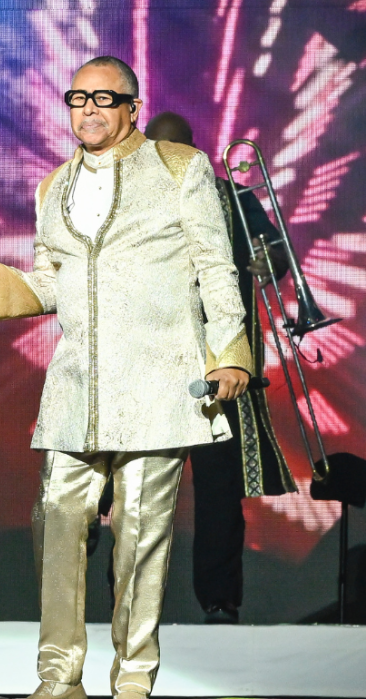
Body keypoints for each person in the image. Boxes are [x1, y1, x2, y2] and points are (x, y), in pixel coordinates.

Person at [0, 56, 252, 699]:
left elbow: (215, 264)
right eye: (78, 98)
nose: (88, 110)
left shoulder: (179, 168)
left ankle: (133, 680)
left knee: (142, 538)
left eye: (104, 99)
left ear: (132, 108)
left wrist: (229, 350)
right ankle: (58, 676)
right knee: (58, 522)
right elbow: (52, 282)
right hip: (77, 387)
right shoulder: (53, 186)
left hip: (158, 382)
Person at [145, 112, 297, 624]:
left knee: (219, 491)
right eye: (158, 151)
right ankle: (133, 604)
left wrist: (269, 263)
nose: (167, 160)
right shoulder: (130, 198)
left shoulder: (233, 196)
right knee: (141, 492)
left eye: (176, 151)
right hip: (151, 364)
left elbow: (275, 251)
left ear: (196, 152)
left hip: (220, 366)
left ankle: (220, 602)